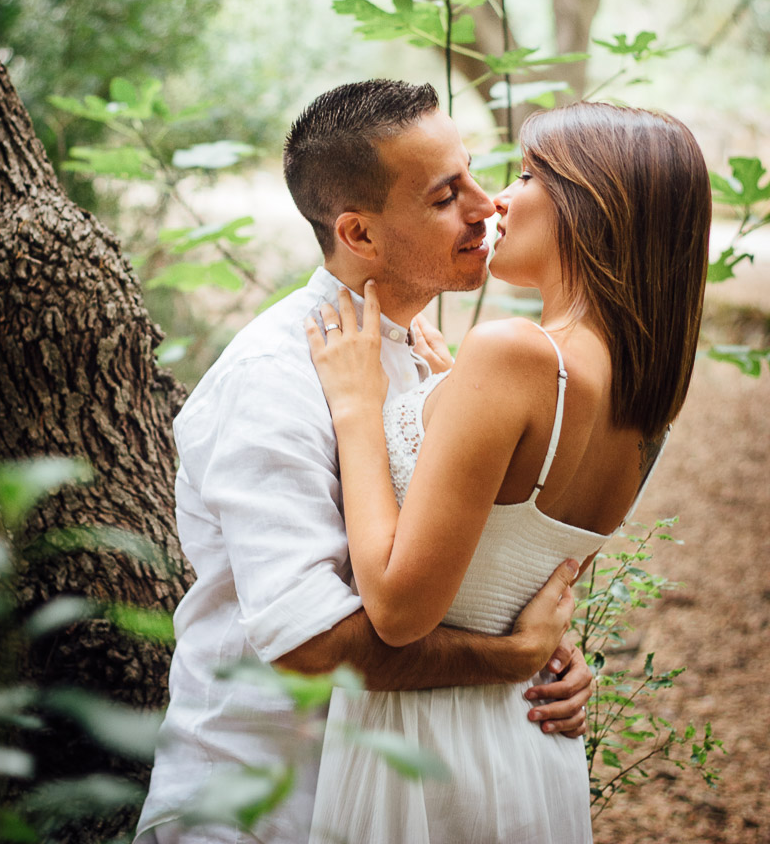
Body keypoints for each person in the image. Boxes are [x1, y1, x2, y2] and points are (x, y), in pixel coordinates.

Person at [134, 81, 594, 844]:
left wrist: (551, 659)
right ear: (360, 234)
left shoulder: (426, 365)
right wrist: (510, 656)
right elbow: (309, 645)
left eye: (477, 175)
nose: (488, 207)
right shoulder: (274, 379)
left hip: (383, 802)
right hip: (261, 808)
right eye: (448, 195)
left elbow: (447, 571)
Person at [304, 100, 711, 844]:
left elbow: (397, 611)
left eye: (526, 176)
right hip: (527, 744)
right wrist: (449, 396)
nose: (497, 201)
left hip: (428, 753)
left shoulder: (514, 356)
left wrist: (362, 410)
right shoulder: (644, 408)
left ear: (590, 208)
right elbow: (515, 565)